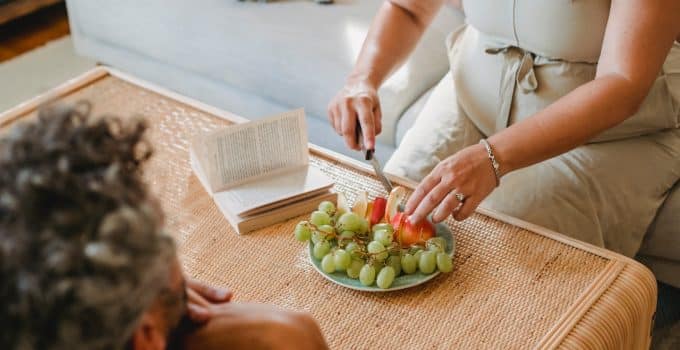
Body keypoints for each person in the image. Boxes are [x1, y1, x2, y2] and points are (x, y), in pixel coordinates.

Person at [328, 0, 680, 260]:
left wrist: (493, 157)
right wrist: (362, 80)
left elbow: (624, 83)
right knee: (394, 208)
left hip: (609, 133)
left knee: (500, 247)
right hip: (472, 101)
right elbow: (408, 8)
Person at [0, 103, 328, 350]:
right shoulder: (288, 335)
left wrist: (150, 299)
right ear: (146, 336)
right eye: (162, 242)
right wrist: (294, 333)